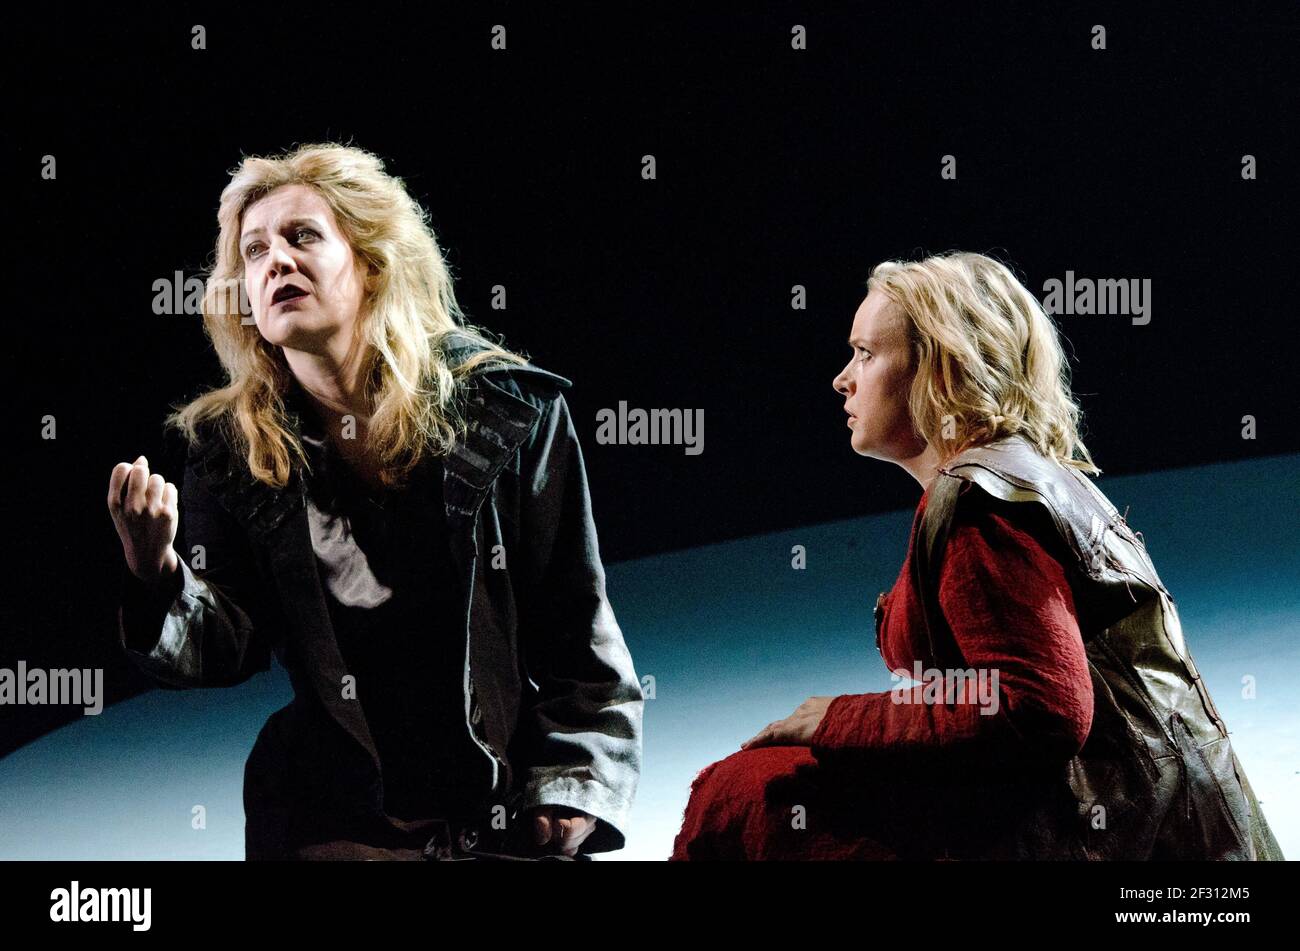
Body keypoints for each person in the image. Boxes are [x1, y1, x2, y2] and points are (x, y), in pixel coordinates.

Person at [107, 143, 643, 861]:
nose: (275, 262)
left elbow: (580, 629)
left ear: (370, 262)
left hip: (499, 803)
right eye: (255, 250)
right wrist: (156, 573)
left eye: (303, 236)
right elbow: (222, 646)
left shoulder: (505, 410)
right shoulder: (232, 447)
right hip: (334, 816)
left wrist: (571, 789)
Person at [670, 251, 1284, 861]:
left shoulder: (981, 508)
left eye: (865, 353)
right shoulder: (1014, 476)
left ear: (941, 365)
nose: (843, 378)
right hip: (1137, 829)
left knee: (751, 796)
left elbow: (1041, 709)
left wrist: (840, 719)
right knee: (765, 783)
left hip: (1126, 850)